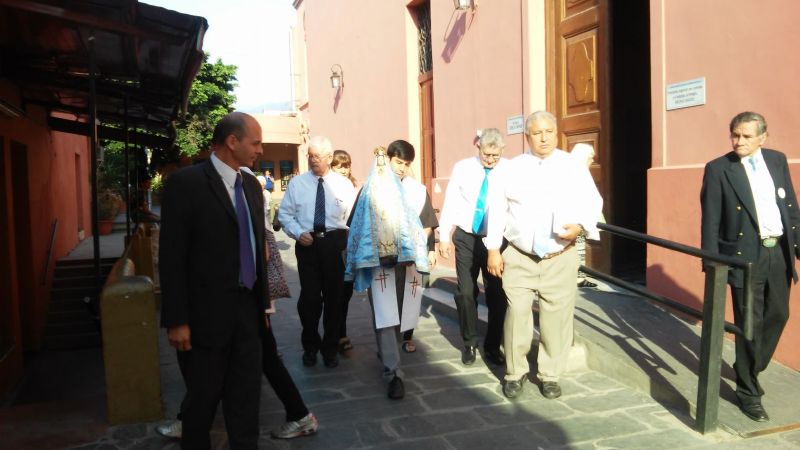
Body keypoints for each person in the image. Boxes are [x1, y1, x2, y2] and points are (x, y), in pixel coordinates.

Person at [159, 111, 267, 449]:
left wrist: (262, 306)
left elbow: (255, 247)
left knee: (246, 398)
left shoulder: (251, 185)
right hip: (204, 318)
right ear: (232, 142)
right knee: (201, 402)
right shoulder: (186, 184)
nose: (260, 150)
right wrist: (177, 320)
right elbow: (172, 257)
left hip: (247, 311)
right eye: (256, 143)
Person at [486, 111, 602, 400]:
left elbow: (592, 201)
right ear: (527, 136)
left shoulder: (572, 166)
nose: (544, 138)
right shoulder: (511, 169)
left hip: (558, 257)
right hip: (520, 256)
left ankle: (550, 374)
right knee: (517, 314)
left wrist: (581, 226)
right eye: (537, 133)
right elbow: (497, 209)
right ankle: (515, 372)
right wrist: (493, 249)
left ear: (556, 133)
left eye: (549, 131)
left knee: (556, 318)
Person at [700, 111, 799, 422]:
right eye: (735, 135)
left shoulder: (776, 160)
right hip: (744, 256)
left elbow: (790, 206)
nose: (738, 141)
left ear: (762, 138)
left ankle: (748, 366)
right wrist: (713, 263)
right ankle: (748, 392)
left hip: (778, 252)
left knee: (779, 314)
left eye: (746, 136)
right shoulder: (718, 168)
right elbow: (710, 219)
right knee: (749, 324)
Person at [344, 141, 437, 400]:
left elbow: (427, 225)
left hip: (408, 265)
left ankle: (389, 352)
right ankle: (393, 372)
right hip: (380, 267)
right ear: (388, 159)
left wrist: (422, 250)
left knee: (400, 315)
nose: (402, 168)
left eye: (407, 164)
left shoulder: (417, 191)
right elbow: (357, 225)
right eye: (398, 162)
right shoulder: (370, 189)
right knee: (385, 316)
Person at [278, 136, 356, 368]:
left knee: (335, 299)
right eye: (310, 156)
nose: (313, 160)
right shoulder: (297, 184)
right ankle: (310, 346)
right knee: (310, 300)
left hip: (335, 244)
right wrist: (296, 232)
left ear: (329, 158)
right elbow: (285, 215)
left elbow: (353, 218)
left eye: (317, 156)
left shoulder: (344, 185)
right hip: (308, 245)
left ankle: (330, 349)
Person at [438, 128, 509, 366]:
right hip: (466, 237)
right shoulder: (463, 168)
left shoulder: (508, 170)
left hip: (495, 241)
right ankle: (469, 342)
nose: (490, 160)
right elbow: (451, 201)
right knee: (466, 292)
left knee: (497, 294)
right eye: (486, 154)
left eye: (495, 155)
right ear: (478, 147)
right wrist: (444, 236)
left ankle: (492, 346)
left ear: (502, 151)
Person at [331, 150, 358, 352]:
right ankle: (338, 334)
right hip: (335, 243)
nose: (343, 170)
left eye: (346, 165)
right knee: (335, 293)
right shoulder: (327, 187)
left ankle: (341, 331)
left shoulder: (354, 187)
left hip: (351, 247)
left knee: (346, 292)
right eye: (339, 166)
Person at [570, 143, 599, 289]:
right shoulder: (578, 173)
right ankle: (578, 279)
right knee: (577, 250)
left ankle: (579, 277)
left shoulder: (573, 171)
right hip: (575, 221)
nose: (592, 161)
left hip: (576, 220)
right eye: (590, 157)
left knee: (578, 249)